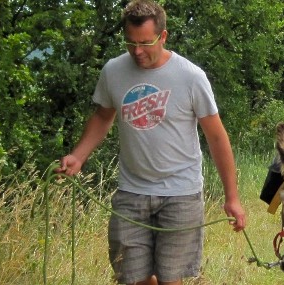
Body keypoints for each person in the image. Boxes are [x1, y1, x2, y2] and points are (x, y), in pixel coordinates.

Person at [55, 1, 246, 284]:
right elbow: (103, 116)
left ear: (163, 36)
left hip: (180, 192)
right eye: (130, 43)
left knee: (171, 278)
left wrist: (232, 198)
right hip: (131, 192)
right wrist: (78, 156)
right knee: (132, 278)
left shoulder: (191, 77)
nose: (137, 51)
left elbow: (216, 137)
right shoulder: (113, 71)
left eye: (145, 43)